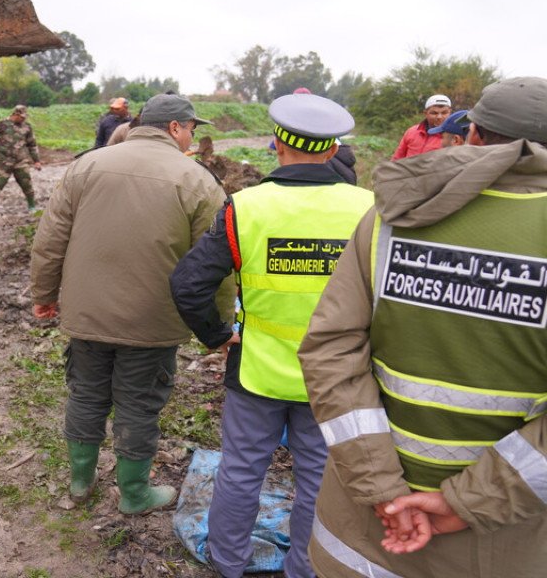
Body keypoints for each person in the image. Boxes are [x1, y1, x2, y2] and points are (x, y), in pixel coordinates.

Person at [297, 76, 547, 578]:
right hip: (506, 544)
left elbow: (330, 349)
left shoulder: (392, 216)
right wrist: (466, 502)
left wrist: (381, 486)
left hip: (364, 534)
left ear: (471, 134)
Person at [170, 93, 374, 578]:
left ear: (278, 145)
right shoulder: (370, 209)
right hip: (336, 380)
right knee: (320, 484)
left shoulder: (245, 207)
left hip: (257, 373)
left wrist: (218, 336)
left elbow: (188, 283)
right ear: (332, 150)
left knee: (240, 475)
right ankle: (304, 568)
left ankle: (228, 564)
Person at [30, 94, 231, 515]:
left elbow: (50, 239)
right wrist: (219, 327)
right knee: (138, 405)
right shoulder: (198, 181)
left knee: (85, 395)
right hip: (151, 322)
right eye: (192, 127)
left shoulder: (86, 165)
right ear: (175, 128)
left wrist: (45, 296)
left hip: (86, 314)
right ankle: (135, 495)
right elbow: (216, 265)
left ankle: (80, 483)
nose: (192, 136)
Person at [391, 94, 451, 160]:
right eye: (434, 113)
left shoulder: (454, 136)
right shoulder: (412, 132)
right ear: (425, 113)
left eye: (444, 113)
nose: (439, 117)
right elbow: (397, 158)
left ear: (450, 112)